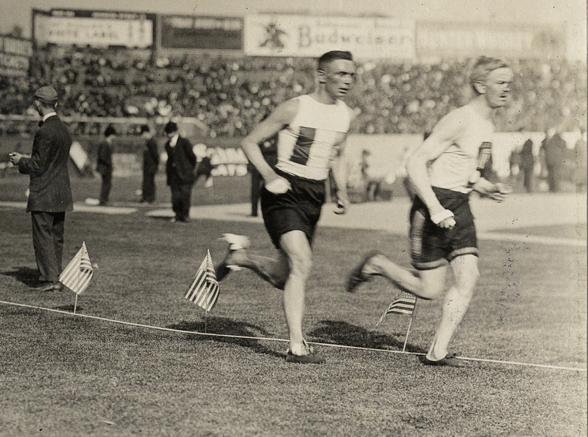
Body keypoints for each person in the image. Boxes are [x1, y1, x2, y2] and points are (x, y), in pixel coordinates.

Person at [345, 56, 514, 367]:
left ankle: (437, 351)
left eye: (509, 83)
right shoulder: (459, 120)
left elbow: (466, 171)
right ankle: (378, 264)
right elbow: (415, 164)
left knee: (468, 277)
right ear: (480, 85)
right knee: (429, 289)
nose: (507, 88)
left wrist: (486, 186)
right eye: (501, 82)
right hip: (432, 205)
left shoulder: (487, 125)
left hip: (460, 206)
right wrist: (435, 209)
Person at [216, 50, 355, 364]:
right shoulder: (296, 107)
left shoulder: (346, 114)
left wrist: (342, 190)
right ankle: (296, 346)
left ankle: (240, 257)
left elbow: (339, 154)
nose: (347, 81)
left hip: (315, 195)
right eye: (340, 74)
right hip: (284, 191)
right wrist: (268, 176)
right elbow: (249, 142)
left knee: (284, 275)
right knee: (302, 262)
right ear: (322, 76)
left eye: (351, 75)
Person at [8, 86, 74, 292]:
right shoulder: (64, 129)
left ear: (38, 103)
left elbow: (38, 165)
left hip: (44, 192)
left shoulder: (44, 131)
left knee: (43, 236)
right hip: (61, 192)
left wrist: (20, 160)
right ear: (55, 103)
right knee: (56, 236)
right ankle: (56, 275)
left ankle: (49, 278)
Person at [164, 121, 196, 223]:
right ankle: (178, 214)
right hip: (174, 175)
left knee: (185, 195)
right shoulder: (167, 145)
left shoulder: (184, 142)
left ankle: (185, 215)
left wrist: (187, 169)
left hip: (185, 174)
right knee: (175, 196)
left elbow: (192, 157)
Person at [140, 123, 160, 204]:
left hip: (151, 166)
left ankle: (149, 198)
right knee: (146, 182)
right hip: (147, 166)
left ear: (145, 132)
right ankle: (146, 197)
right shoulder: (148, 142)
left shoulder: (151, 142)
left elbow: (155, 155)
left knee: (149, 182)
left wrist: (156, 165)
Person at [96, 124, 116, 206]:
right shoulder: (105, 143)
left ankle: (104, 199)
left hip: (105, 166)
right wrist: (109, 163)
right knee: (106, 184)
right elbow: (102, 156)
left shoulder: (106, 143)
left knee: (107, 183)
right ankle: (103, 200)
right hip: (105, 167)